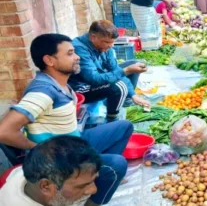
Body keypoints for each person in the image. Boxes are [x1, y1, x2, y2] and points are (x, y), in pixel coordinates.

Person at [0, 34, 133, 206]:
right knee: (117, 165)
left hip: (74, 142)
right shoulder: (43, 91)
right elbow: (4, 131)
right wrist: (38, 148)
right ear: (49, 60)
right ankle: (90, 200)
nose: (77, 57)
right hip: (60, 157)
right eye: (70, 53)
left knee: (124, 126)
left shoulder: (58, 83)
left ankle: (97, 175)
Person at [68, 21, 150, 122]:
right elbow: (93, 79)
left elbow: (115, 69)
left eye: (112, 42)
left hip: (97, 77)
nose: (111, 46)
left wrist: (133, 95)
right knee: (118, 85)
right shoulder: (79, 48)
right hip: (81, 87)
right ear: (93, 37)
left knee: (132, 65)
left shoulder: (105, 47)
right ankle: (112, 118)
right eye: (107, 42)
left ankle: (126, 99)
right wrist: (126, 71)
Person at [0, 136, 100, 206]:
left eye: (93, 180)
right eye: (82, 186)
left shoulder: (30, 172)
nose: (94, 190)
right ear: (45, 186)